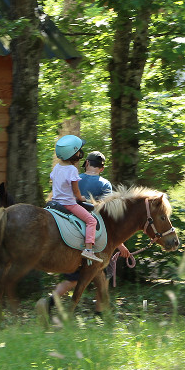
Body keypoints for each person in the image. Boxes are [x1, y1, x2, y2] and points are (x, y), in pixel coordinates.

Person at [38, 150, 130, 321]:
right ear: (102, 168)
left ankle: (49, 302)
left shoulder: (76, 178)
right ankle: (99, 314)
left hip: (69, 230)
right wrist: (120, 245)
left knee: (72, 278)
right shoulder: (105, 185)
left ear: (86, 163)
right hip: (95, 237)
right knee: (104, 272)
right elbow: (107, 219)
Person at [50, 135, 103, 262]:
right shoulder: (72, 170)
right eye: (79, 151)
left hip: (54, 202)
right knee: (91, 221)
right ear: (74, 154)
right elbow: (75, 191)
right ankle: (89, 249)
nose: (80, 153)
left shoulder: (57, 167)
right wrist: (81, 198)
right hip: (69, 204)